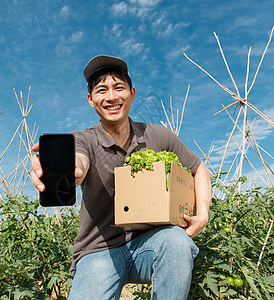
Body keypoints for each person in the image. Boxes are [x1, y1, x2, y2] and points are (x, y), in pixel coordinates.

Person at [30, 55, 212, 299]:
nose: (111, 97)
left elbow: (199, 169)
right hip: (98, 251)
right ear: (90, 100)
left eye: (119, 88)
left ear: (132, 93)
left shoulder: (158, 135)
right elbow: (79, 161)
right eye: (102, 90)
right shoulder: (84, 139)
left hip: (149, 243)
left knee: (176, 242)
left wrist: (203, 214)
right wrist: (70, 172)